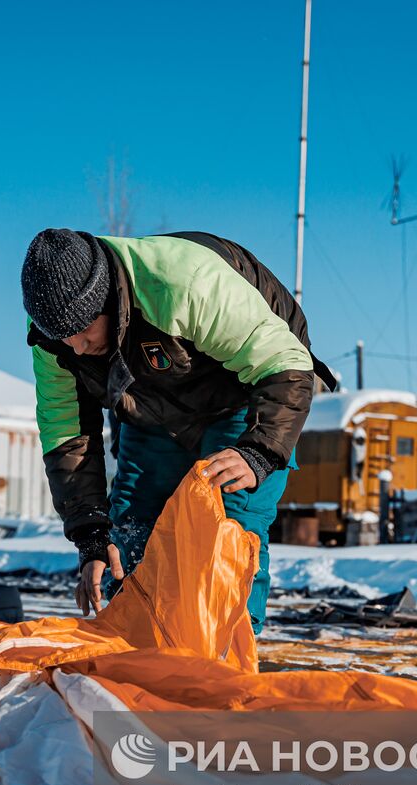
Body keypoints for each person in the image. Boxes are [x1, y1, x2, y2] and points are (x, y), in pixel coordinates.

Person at [22, 228, 335, 631]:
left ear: (109, 300)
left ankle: (225, 658)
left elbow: (284, 365)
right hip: (151, 408)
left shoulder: (181, 283)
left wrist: (258, 451)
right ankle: (137, 649)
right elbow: (67, 434)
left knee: (225, 531)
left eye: (85, 332)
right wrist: (91, 534)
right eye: (65, 339)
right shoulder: (50, 335)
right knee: (132, 532)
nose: (77, 348)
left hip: (243, 396)